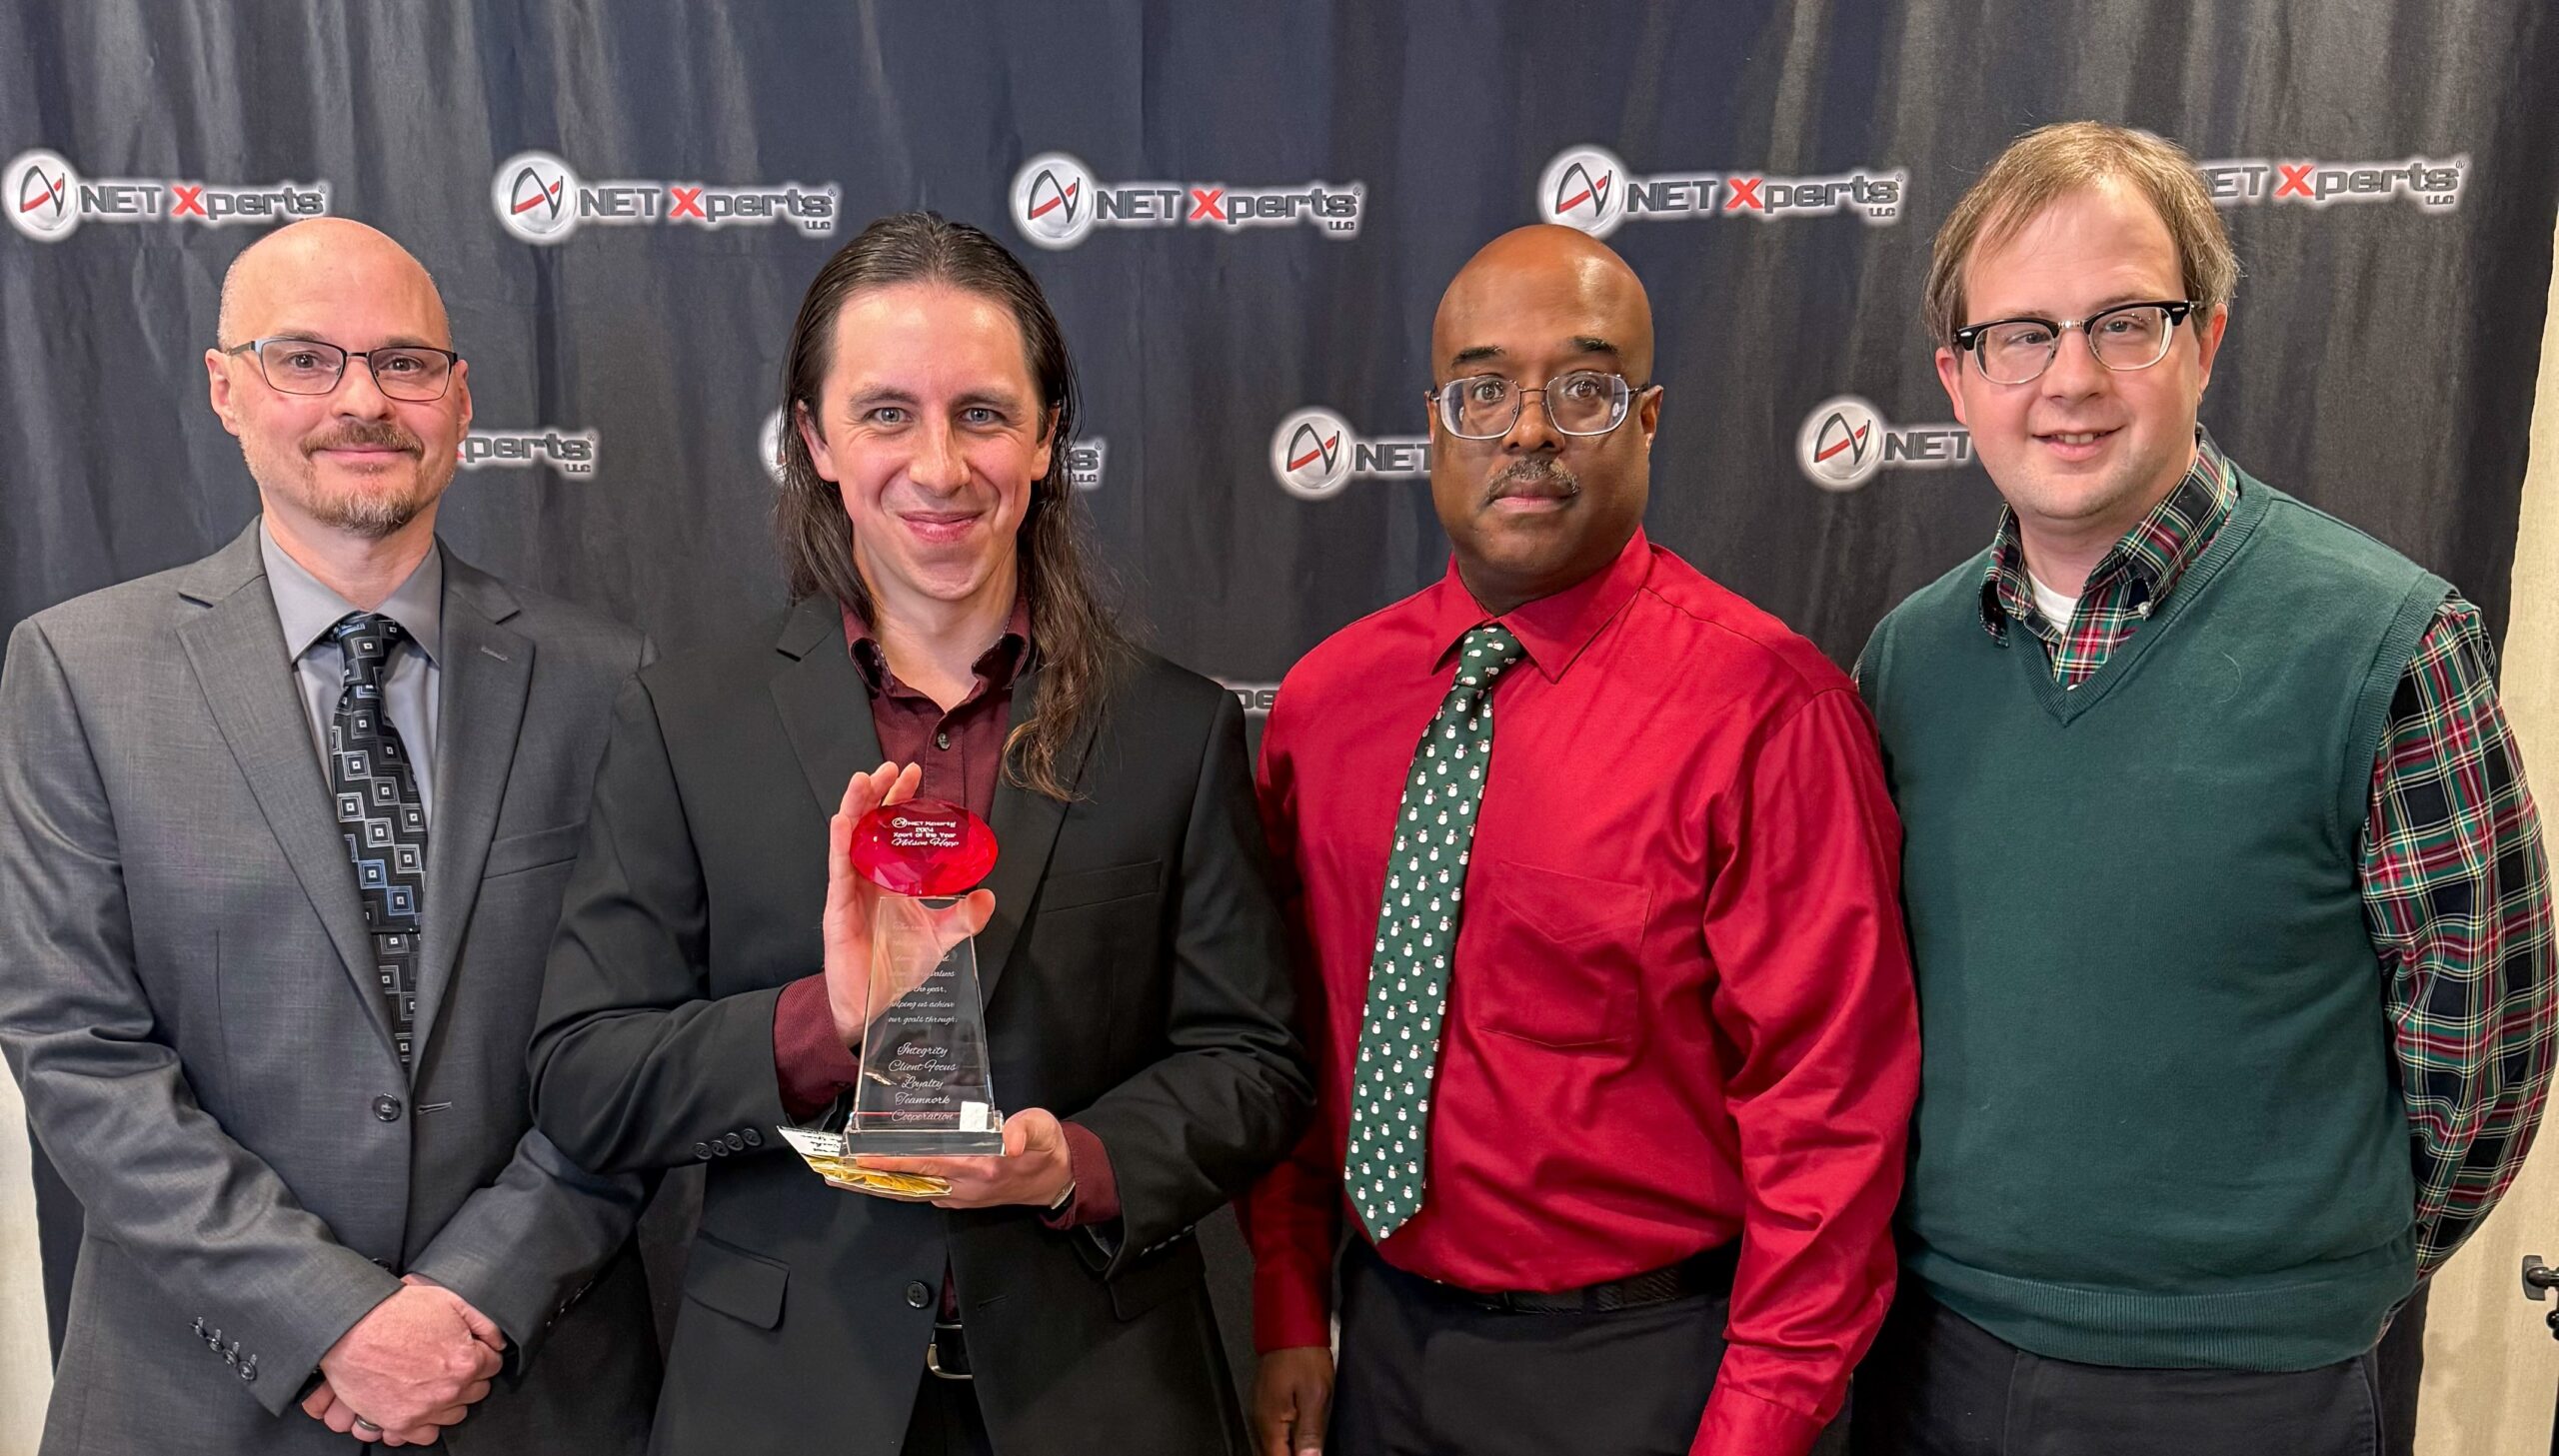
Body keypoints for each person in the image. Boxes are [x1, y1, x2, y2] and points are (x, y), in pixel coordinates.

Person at [525, 210, 1312, 1456]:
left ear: (1046, 438)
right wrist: (825, 1019)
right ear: (815, 441)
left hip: (1099, 1396)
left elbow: (1254, 1061)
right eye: (887, 412)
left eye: (982, 413)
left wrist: (1077, 1160)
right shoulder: (685, 720)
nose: (938, 466)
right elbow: (585, 1075)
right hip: (782, 1406)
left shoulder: (1173, 727)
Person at [1849, 122, 2558, 1455]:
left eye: (2125, 322)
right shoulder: (1906, 662)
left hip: (2250, 1390)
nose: (2070, 378)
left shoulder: (2387, 644)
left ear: (2206, 340)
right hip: (1936, 1358)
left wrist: (2293, 1273)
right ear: (1957, 375)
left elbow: (2486, 1053)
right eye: (2021, 334)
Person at [1245, 223, 1920, 1456]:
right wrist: (1290, 1300)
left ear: (1647, 420)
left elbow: (1828, 1116)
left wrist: (1757, 1424)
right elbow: (1281, 1031)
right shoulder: (1324, 705)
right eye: (1483, 391)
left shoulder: (1768, 713)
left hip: (1651, 1370)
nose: (1529, 429)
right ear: (1434, 425)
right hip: (1381, 1345)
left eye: (1584, 389)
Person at [0, 217, 660, 1452]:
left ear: (460, 399)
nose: (363, 400)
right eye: (305, 358)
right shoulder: (81, 671)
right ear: (225, 388)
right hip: (190, 1398)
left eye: (406, 362)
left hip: (523, 1387)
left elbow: (639, 1040)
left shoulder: (607, 681)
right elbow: (76, 1047)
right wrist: (331, 1318)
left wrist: (474, 1297)